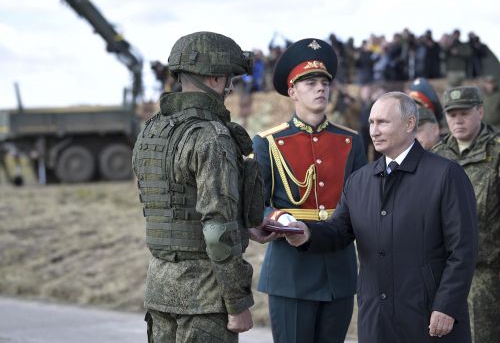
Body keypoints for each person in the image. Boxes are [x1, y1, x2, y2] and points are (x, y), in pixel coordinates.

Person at [278, 92, 478, 342]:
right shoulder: (359, 181)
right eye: (371, 122)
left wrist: (446, 306)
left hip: (428, 317)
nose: (374, 130)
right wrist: (306, 234)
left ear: (409, 124)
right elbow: (339, 231)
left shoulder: (446, 175)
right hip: (377, 318)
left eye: (383, 122)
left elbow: (463, 250)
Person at [132, 31, 265, 343]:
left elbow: (173, 206)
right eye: (229, 77)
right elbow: (217, 229)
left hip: (160, 290)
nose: (231, 87)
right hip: (205, 298)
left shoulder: (152, 129)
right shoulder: (211, 136)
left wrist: (248, 227)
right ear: (215, 78)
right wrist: (237, 301)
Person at [252, 38, 367, 343]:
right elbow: (255, 205)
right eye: (310, 82)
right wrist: (280, 219)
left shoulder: (351, 140)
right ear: (292, 91)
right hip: (291, 268)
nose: (320, 89)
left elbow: (360, 202)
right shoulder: (268, 142)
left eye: (324, 82)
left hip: (338, 265)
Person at [432, 86, 500, 343]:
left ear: (480, 111)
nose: (457, 120)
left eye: (464, 113)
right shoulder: (437, 155)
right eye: (452, 115)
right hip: (445, 273)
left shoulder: (496, 151)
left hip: (488, 273)